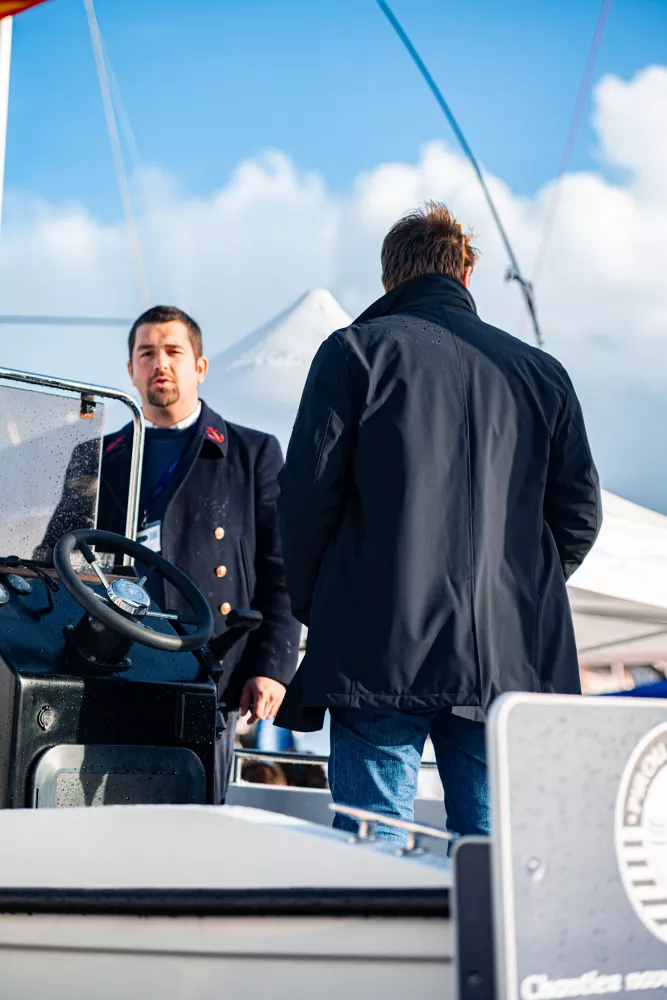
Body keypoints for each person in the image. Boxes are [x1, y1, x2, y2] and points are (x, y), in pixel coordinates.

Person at [276, 202, 601, 843]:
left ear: (389, 277)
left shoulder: (353, 353)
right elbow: (579, 514)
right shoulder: (543, 374)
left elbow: (305, 500)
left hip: (375, 641)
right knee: (494, 850)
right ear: (466, 274)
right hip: (505, 655)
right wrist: (516, 590)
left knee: (373, 845)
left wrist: (325, 602)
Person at [42, 305, 300, 803]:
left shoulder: (252, 453)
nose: (160, 362)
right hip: (111, 666)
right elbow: (58, 554)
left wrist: (272, 666)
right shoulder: (98, 457)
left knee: (194, 817)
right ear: (131, 370)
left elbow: (281, 568)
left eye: (173, 351)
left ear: (199, 366)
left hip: (209, 668)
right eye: (147, 353)